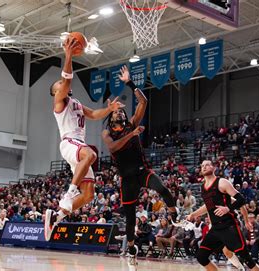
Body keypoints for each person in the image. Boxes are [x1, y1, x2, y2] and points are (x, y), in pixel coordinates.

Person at [45, 36, 124, 240]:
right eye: (60, 84)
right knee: (91, 154)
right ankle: (69, 193)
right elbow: (68, 79)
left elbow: (94, 115)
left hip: (78, 147)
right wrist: (68, 56)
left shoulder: (76, 103)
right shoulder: (59, 102)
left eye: (62, 83)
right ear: (56, 91)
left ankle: (58, 216)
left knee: (89, 195)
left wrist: (108, 109)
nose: (63, 84)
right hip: (69, 143)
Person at [101, 65, 177, 265]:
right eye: (116, 114)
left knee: (162, 188)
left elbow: (143, 101)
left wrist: (130, 83)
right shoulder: (108, 133)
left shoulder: (132, 123)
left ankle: (174, 214)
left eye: (121, 113)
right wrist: (132, 135)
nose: (120, 115)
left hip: (142, 171)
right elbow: (114, 148)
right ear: (112, 118)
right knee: (130, 216)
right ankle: (132, 248)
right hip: (127, 178)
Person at [187, 160, 259, 271]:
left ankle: (242, 267)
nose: (204, 167)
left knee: (247, 259)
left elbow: (241, 200)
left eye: (207, 165)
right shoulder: (202, 187)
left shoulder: (222, 182)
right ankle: (239, 268)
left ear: (214, 168)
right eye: (202, 165)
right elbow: (208, 206)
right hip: (216, 228)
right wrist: (193, 214)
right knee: (201, 256)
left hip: (229, 226)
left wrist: (232, 212)